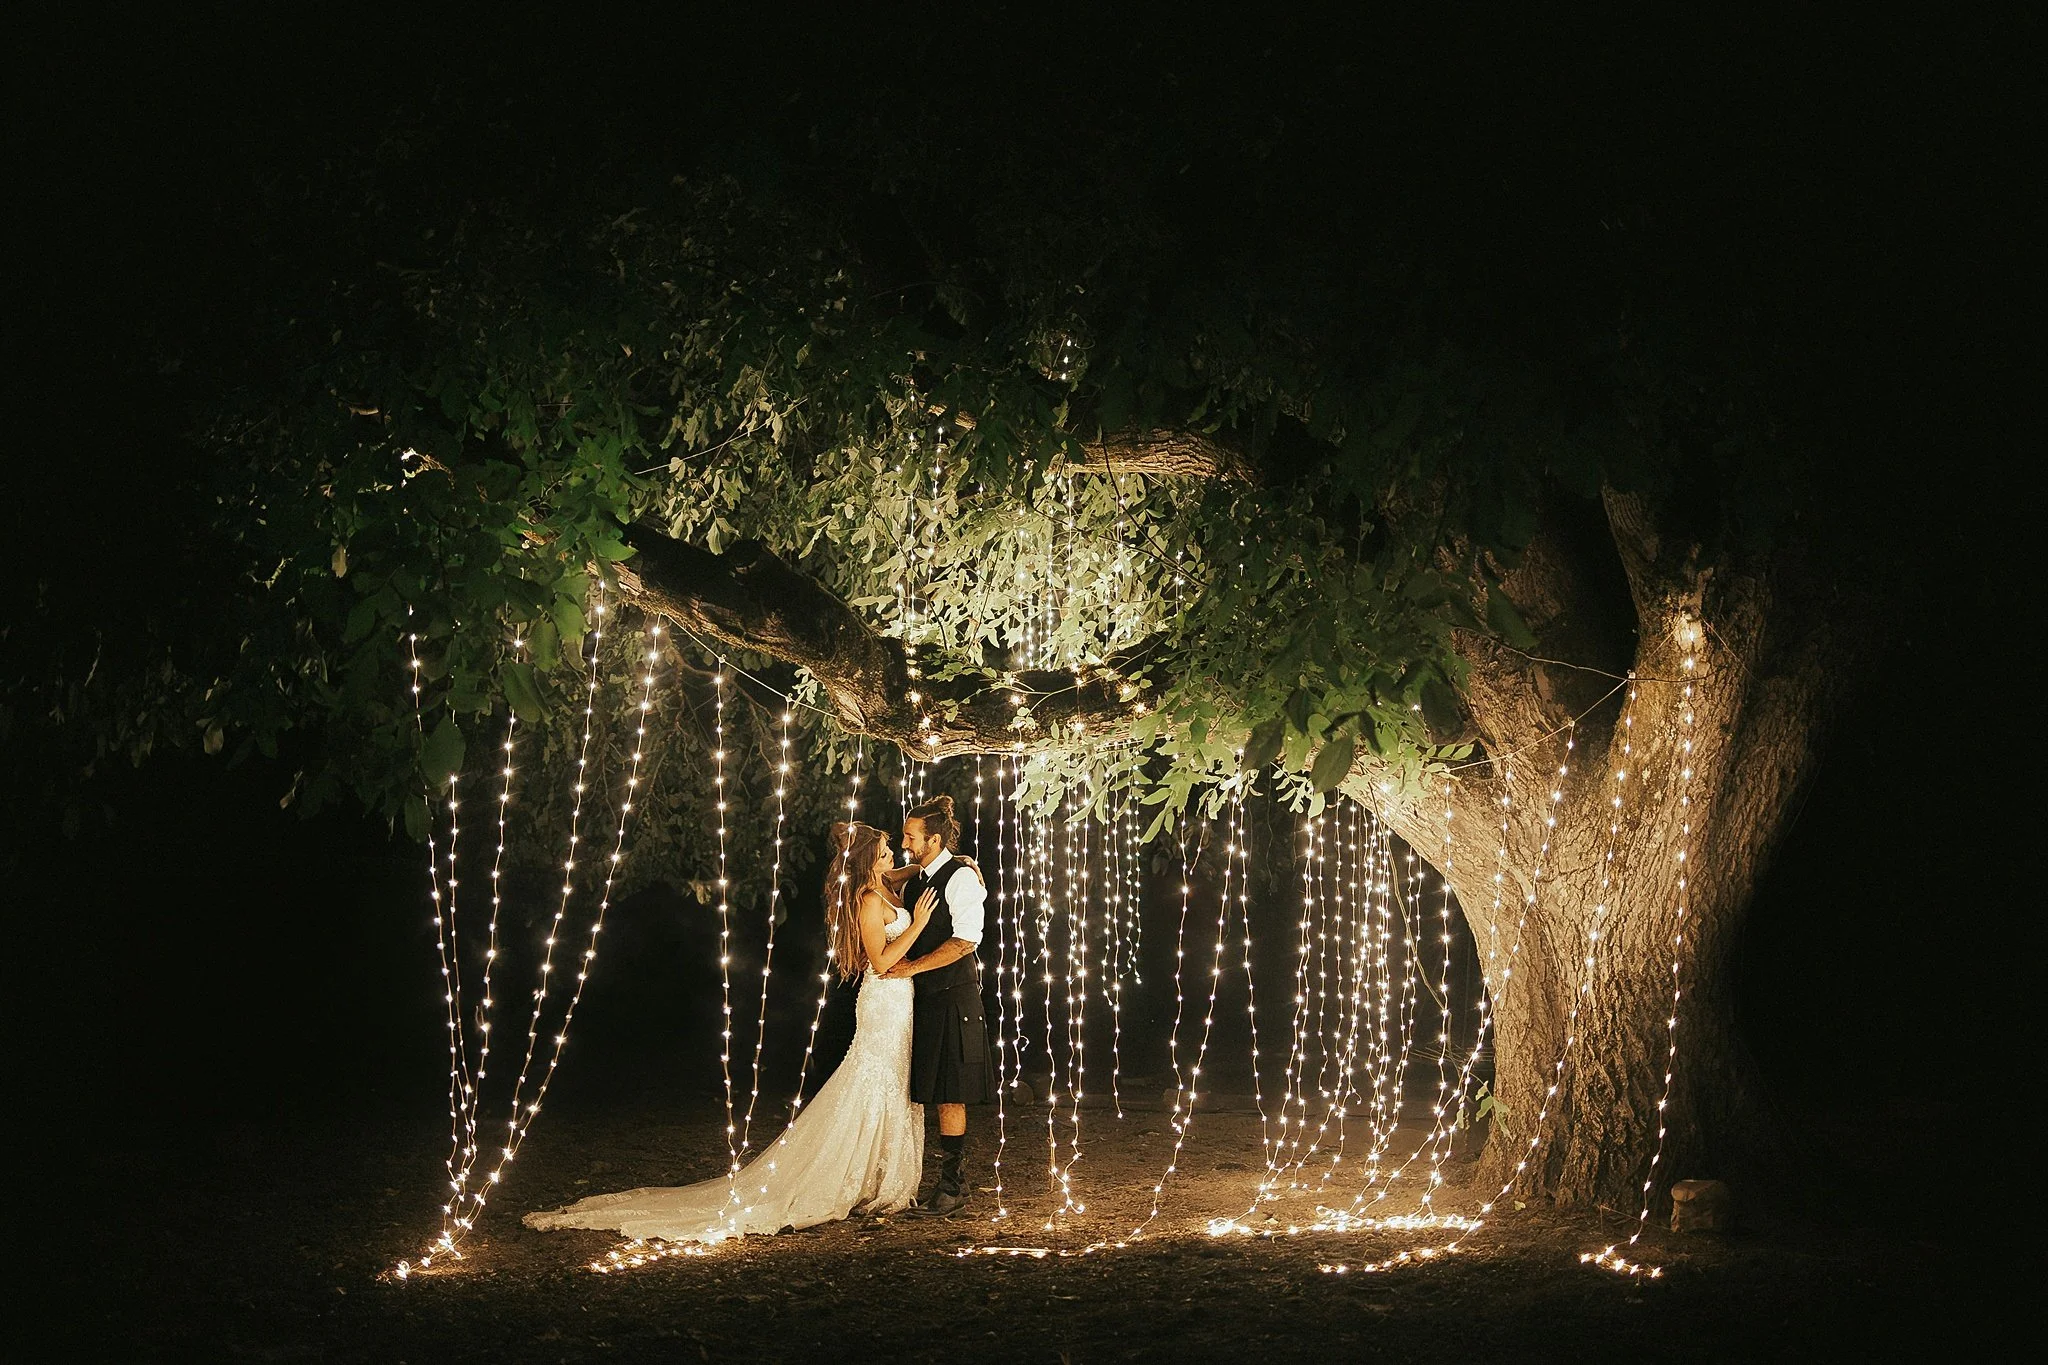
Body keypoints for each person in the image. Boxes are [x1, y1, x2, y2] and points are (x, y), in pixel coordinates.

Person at [522, 821, 936, 1242]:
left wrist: (944, 863)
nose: (894, 852)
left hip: (902, 1000)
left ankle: (880, 1175)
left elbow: (908, 871)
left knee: (894, 1082)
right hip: (884, 998)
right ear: (869, 860)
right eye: (886, 847)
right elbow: (881, 962)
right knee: (873, 1081)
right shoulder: (867, 898)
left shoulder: (884, 882)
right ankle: (856, 1178)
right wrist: (918, 924)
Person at [883, 794, 998, 1216]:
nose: (904, 840)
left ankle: (953, 1188)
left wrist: (912, 967)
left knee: (951, 1094)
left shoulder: (961, 878)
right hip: (925, 999)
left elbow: (966, 940)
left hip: (953, 997)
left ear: (932, 839)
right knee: (930, 1092)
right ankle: (944, 1186)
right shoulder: (922, 872)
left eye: (911, 836)